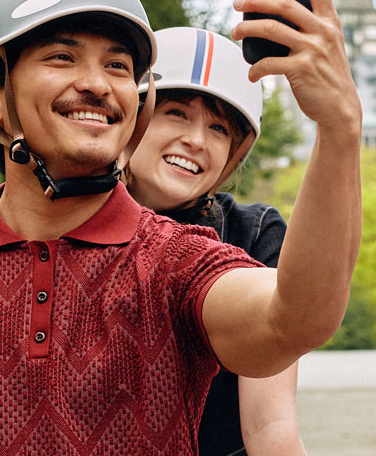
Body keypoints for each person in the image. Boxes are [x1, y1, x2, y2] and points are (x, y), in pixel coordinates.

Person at [0, 0, 361, 455]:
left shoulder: (181, 264)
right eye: (62, 57)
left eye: (119, 67)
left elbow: (294, 317)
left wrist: (339, 127)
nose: (97, 84)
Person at [124, 27, 302, 456]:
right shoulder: (67, 217)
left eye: (219, 128)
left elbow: (270, 422)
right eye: (177, 113)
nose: (197, 140)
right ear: (133, 116)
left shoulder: (252, 235)